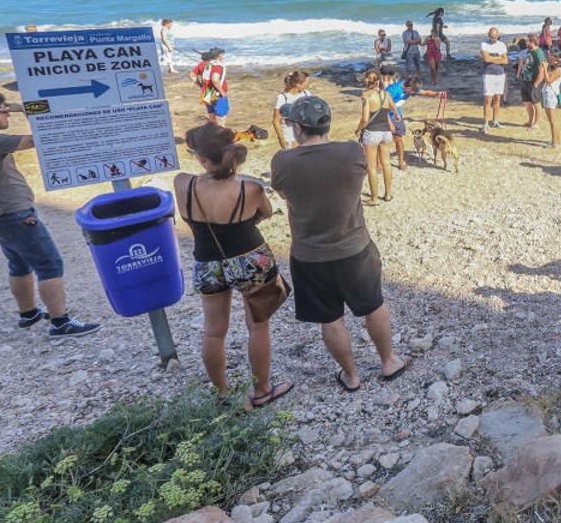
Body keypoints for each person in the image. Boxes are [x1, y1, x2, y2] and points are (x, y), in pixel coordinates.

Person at [271, 95, 410, 390]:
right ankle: (388, 361)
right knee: (373, 305)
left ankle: (351, 375)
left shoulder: (282, 162)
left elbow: (285, 196)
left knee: (330, 318)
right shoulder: (352, 151)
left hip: (309, 255)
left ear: (297, 127)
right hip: (354, 246)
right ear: (327, 123)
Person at [174, 124, 291, 407]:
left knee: (214, 329)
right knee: (258, 325)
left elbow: (187, 216)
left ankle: (222, 393)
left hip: (207, 261)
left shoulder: (182, 183)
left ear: (201, 159)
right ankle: (262, 389)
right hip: (250, 258)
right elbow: (265, 212)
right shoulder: (250, 188)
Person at [0, 94, 100, 339]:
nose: (8, 115)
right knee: (49, 264)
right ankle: (61, 323)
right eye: (4, 112)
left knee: (19, 263)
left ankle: (27, 313)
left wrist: (15, 108)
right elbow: (36, 139)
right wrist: (30, 110)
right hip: (13, 212)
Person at [354, 70, 400, 205]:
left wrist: (358, 129)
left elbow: (365, 119)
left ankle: (374, 198)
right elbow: (394, 110)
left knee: (372, 167)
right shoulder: (386, 94)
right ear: (379, 80)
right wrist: (396, 117)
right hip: (386, 133)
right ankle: (388, 194)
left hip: (372, 133)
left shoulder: (366, 96)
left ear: (366, 82)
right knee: (386, 163)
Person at [272, 70, 312, 150]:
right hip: (289, 135)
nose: (308, 85)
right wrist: (281, 139)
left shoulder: (307, 94)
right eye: (306, 83)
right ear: (298, 84)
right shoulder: (282, 98)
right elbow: (276, 120)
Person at [191, 48, 229, 125]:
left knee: (212, 117)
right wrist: (222, 92)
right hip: (218, 93)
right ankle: (220, 135)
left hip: (207, 92)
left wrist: (201, 85)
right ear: (219, 56)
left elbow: (191, 75)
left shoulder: (203, 64)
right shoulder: (218, 65)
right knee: (221, 118)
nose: (223, 56)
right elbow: (215, 79)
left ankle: (212, 134)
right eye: (222, 54)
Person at [481, 27, 508, 134]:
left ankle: (495, 120)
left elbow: (506, 61)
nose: (493, 39)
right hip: (488, 75)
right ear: (489, 35)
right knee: (488, 100)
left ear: (498, 36)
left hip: (500, 74)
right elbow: (485, 59)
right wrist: (499, 58)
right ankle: (486, 123)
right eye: (491, 37)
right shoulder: (484, 44)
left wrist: (491, 58)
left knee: (497, 99)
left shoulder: (502, 45)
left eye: (495, 37)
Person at [518, 35, 547, 129]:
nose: (526, 43)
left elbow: (542, 70)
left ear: (532, 42)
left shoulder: (538, 53)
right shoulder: (529, 51)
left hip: (533, 81)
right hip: (526, 80)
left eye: (527, 41)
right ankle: (530, 121)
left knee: (536, 103)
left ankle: (536, 123)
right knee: (527, 102)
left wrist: (536, 84)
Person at [537, 48, 561, 148]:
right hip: (549, 94)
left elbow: (548, 81)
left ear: (557, 60)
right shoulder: (556, 68)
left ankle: (554, 142)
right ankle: (557, 139)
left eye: (552, 59)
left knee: (552, 120)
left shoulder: (557, 70)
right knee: (552, 120)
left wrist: (544, 69)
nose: (550, 60)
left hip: (551, 96)